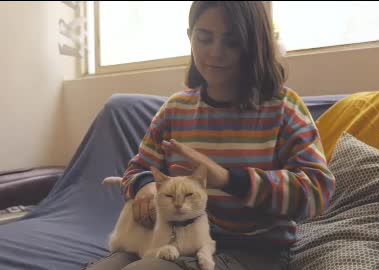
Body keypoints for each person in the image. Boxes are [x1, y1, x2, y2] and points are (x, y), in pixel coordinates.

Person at [84, 1, 335, 269]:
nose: (215, 52)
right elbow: (137, 170)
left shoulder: (284, 108)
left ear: (254, 43)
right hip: (174, 237)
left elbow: (318, 191)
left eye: (232, 41)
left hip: (253, 250)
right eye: (204, 38)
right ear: (190, 36)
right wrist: (144, 187)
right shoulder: (174, 109)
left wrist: (228, 179)